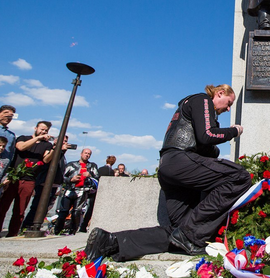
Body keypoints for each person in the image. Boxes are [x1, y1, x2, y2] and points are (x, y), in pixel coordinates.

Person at [85, 84, 249, 261]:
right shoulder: (202, 100)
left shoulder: (191, 108)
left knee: (180, 229)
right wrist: (234, 130)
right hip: (181, 160)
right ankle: (189, 233)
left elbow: (205, 144)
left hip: (170, 166)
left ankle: (111, 241)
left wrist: (214, 149)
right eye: (229, 102)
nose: (228, 108)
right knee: (239, 176)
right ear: (220, 93)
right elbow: (207, 135)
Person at [0, 121, 55, 238]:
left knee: (19, 211)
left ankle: (12, 233)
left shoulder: (47, 145)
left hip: (29, 179)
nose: (44, 132)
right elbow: (21, 147)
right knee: (2, 207)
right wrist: (38, 138)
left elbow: (46, 160)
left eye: (46, 130)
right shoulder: (23, 138)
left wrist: (55, 148)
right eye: (42, 129)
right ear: (36, 128)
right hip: (14, 177)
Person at [22, 135, 71, 230]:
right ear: (56, 140)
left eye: (65, 141)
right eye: (62, 140)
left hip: (54, 184)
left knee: (46, 207)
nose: (64, 143)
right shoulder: (50, 149)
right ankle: (27, 226)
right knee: (37, 206)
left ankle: (36, 225)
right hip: (44, 182)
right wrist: (59, 150)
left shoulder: (62, 154)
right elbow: (47, 160)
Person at [54, 148, 99, 235]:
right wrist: (71, 179)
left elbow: (97, 178)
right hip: (70, 190)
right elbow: (63, 177)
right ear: (81, 154)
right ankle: (57, 230)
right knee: (63, 211)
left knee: (76, 212)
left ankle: (73, 231)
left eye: (89, 154)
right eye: (86, 153)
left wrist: (90, 175)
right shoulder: (71, 165)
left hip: (82, 191)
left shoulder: (92, 166)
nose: (87, 155)